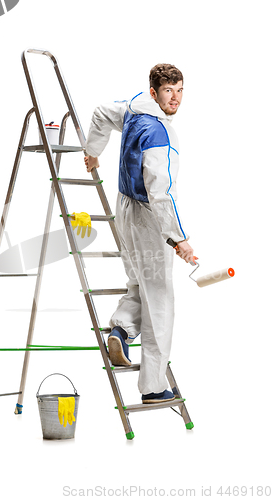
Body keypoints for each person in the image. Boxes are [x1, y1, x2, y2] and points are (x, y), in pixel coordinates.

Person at [84, 64, 196, 404]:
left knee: (139, 283)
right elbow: (160, 193)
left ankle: (120, 329)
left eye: (179, 90)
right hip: (148, 218)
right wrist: (179, 238)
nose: (174, 98)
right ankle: (153, 386)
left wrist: (92, 151)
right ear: (154, 92)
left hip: (124, 211)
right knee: (160, 300)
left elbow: (103, 112)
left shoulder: (133, 110)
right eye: (168, 91)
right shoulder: (159, 134)